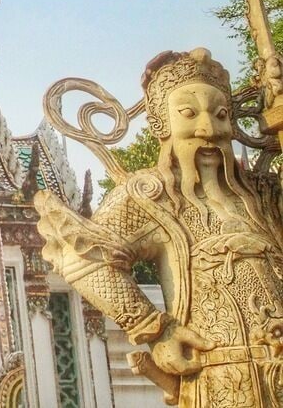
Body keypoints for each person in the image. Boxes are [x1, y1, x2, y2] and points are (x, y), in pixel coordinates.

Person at [36, 48, 283, 406]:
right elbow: (83, 257)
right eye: (188, 114)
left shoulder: (264, 196)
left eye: (221, 115)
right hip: (222, 381)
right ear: (161, 125)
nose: (208, 130)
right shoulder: (150, 197)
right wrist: (155, 328)